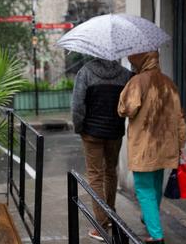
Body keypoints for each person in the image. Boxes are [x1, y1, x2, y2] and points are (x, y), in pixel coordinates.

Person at [118, 51, 186, 244]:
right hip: (166, 145)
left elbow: (125, 109)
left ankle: (156, 236)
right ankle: (149, 218)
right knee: (155, 186)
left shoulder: (137, 82)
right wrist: (180, 143)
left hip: (144, 146)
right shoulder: (169, 83)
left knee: (144, 189)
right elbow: (180, 117)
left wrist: (125, 92)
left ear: (139, 61)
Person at [72, 58, 133, 241]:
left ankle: (100, 225)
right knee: (110, 172)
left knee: (95, 176)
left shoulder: (86, 72)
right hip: (114, 132)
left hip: (91, 132)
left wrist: (78, 127)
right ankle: (110, 214)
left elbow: (77, 105)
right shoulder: (125, 74)